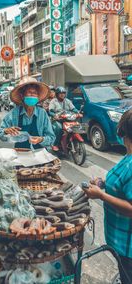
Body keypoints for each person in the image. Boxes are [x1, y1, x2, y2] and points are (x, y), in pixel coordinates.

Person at [83, 109, 132, 284]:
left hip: (128, 246)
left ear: (124, 134)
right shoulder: (128, 156)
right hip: (120, 241)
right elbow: (122, 182)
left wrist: (101, 196)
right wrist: (103, 183)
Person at [0, 77, 55, 149]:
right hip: (20, 153)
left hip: (39, 154)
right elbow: (0, 134)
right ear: (22, 95)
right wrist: (6, 131)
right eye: (30, 92)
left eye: (35, 93)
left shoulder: (42, 113)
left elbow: (51, 137)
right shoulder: (14, 113)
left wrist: (41, 139)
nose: (33, 95)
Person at [49, 86, 79, 151]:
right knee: (59, 128)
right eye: (60, 93)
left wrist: (78, 113)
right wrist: (54, 115)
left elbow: (73, 108)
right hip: (57, 120)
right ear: (57, 94)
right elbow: (50, 111)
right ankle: (55, 144)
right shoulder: (53, 101)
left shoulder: (67, 101)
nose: (62, 94)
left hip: (68, 119)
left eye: (63, 93)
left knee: (76, 126)